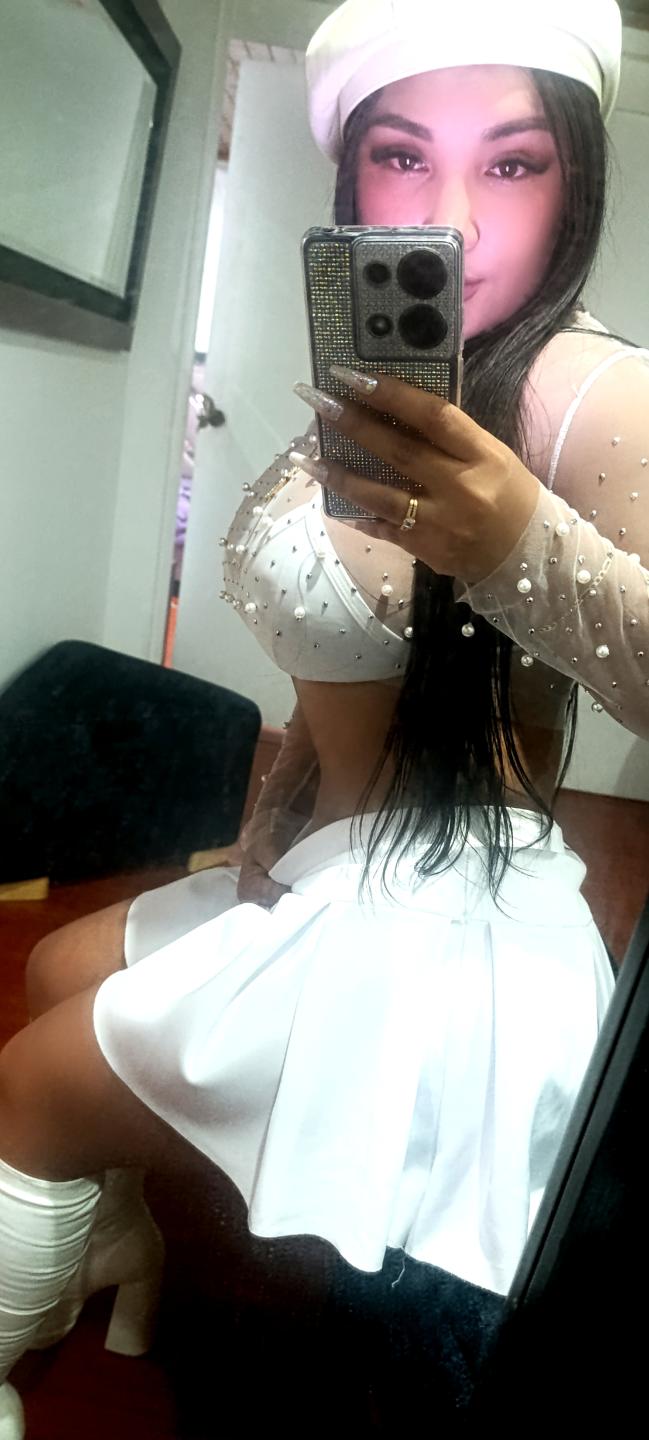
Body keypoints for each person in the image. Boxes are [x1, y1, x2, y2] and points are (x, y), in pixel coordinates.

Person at [2, 1, 647, 1432]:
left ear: (578, 182)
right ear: (349, 174)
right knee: (58, 970)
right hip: (324, 855)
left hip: (442, 914)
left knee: (25, 1088)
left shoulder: (579, 388)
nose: (450, 220)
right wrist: (282, 794)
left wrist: (515, 542)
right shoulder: (390, 371)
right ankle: (122, 1252)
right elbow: (351, 637)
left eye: (513, 163)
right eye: (403, 156)